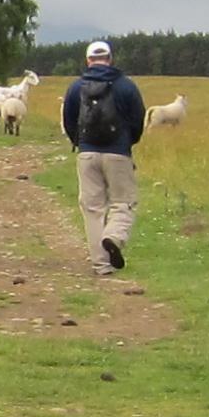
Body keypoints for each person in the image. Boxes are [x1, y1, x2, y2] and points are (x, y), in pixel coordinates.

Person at [62, 39, 148, 272]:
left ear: (88, 60)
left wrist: (79, 143)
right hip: (118, 153)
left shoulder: (75, 87)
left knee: (92, 208)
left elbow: (69, 121)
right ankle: (114, 237)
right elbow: (138, 120)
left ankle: (101, 264)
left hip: (87, 154)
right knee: (123, 202)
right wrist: (128, 143)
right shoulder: (126, 86)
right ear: (110, 59)